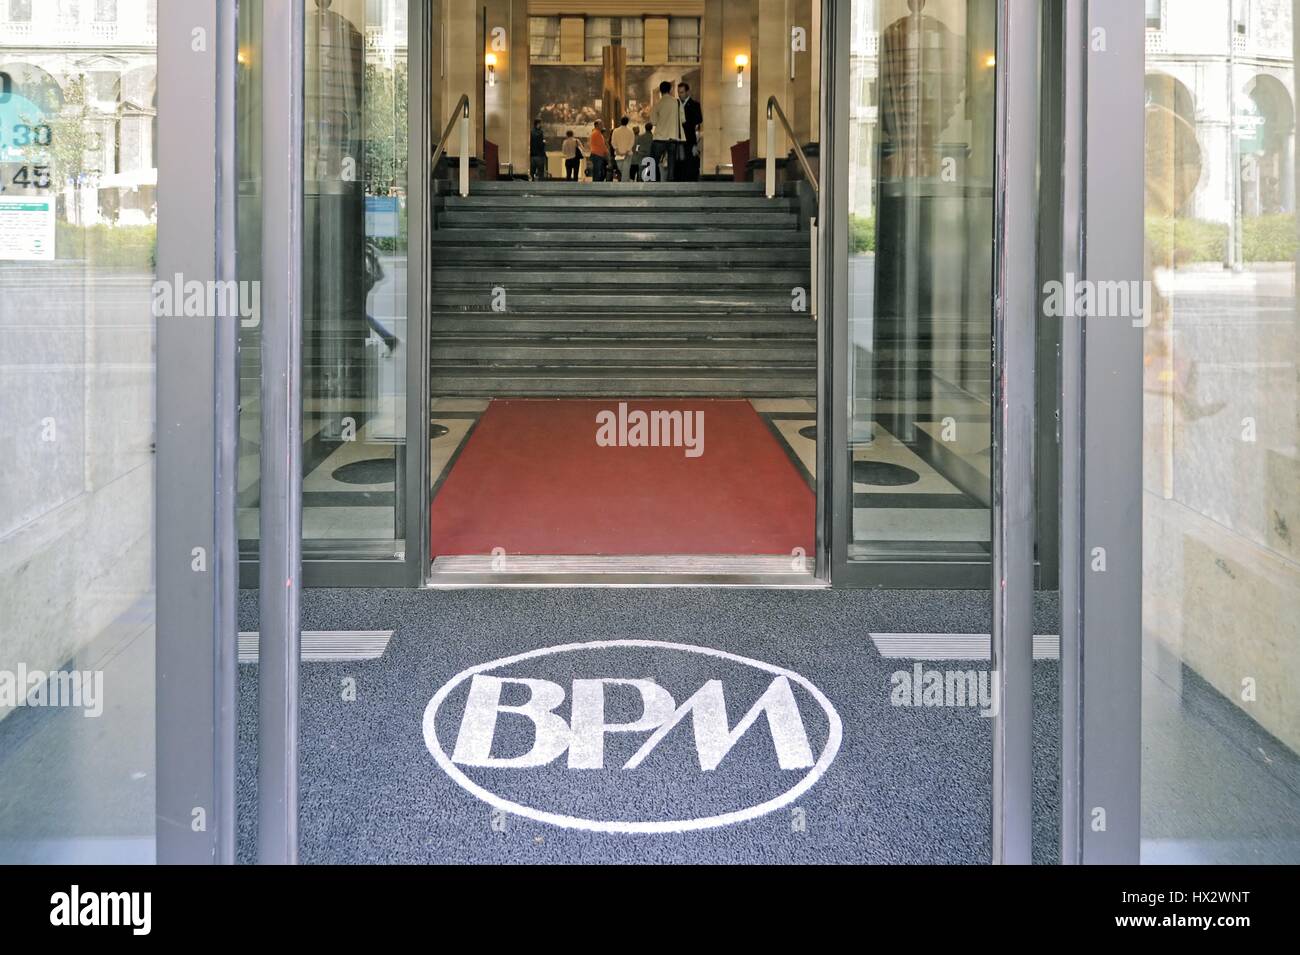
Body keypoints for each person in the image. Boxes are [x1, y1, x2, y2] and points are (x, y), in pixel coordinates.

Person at [649, 81, 684, 181]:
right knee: (671, 162)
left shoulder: (657, 104)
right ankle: (670, 181)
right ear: (671, 89)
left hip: (659, 138)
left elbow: (653, 122)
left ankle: (654, 182)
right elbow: (682, 119)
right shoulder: (677, 102)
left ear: (660, 91)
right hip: (673, 137)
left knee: (653, 161)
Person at [677, 81, 703, 181]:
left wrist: (695, 143)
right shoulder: (677, 105)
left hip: (690, 138)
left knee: (690, 162)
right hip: (679, 139)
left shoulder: (694, 105)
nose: (680, 95)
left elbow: (699, 120)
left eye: (682, 92)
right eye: (679, 92)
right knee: (680, 164)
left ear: (687, 92)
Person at [610, 115, 635, 183]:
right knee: (625, 171)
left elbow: (613, 142)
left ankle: (624, 184)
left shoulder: (615, 131)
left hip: (618, 154)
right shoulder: (630, 131)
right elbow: (632, 142)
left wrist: (617, 150)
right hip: (628, 154)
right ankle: (627, 183)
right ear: (627, 122)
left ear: (620, 122)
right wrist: (627, 151)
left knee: (623, 170)